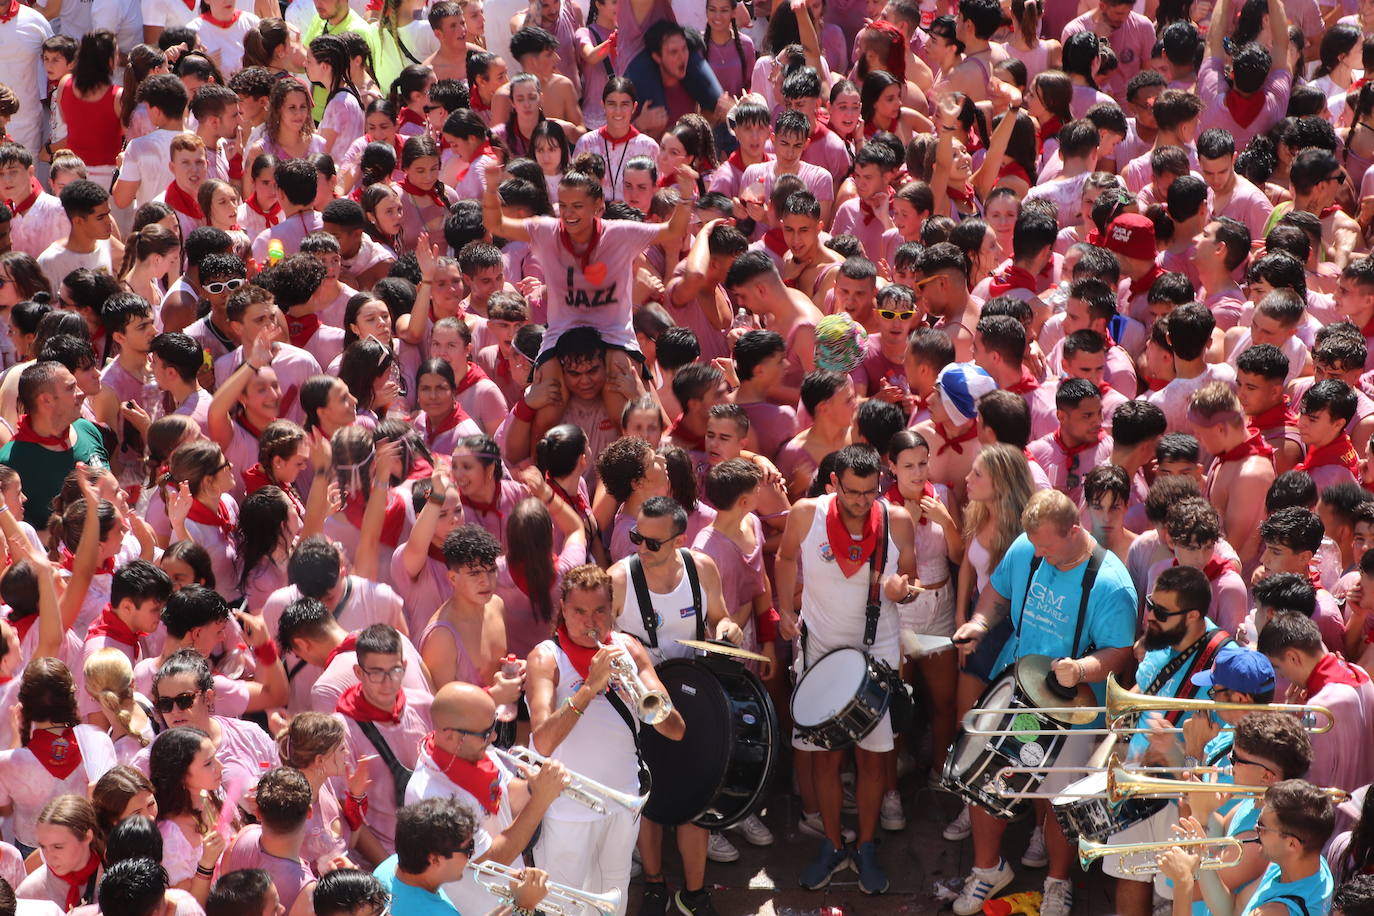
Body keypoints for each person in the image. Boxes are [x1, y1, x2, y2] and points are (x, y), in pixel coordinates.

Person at [950, 488, 1137, 916]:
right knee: (987, 779)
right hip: (1014, 685)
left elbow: (1119, 651)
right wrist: (979, 623)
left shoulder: (1111, 583)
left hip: (1072, 704)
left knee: (1058, 798)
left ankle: (1058, 881)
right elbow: (997, 593)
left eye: (1048, 548)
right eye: (1035, 546)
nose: (1041, 556)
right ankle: (987, 869)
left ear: (1074, 530)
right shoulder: (1029, 547)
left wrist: (1085, 668)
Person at [775, 444, 917, 895]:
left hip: (878, 650)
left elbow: (908, 578)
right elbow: (783, 558)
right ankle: (835, 844)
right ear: (834, 483)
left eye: (869, 492)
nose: (861, 501)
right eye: (852, 492)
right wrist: (783, 609)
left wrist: (901, 590)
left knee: (874, 758)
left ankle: (868, 844)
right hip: (820, 649)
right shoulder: (805, 514)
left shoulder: (896, 520)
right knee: (825, 757)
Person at [526, 564, 686, 914]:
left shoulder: (629, 648)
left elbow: (675, 729)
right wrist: (589, 689)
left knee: (612, 900)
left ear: (612, 610)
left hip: (621, 800)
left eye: (599, 610)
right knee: (562, 907)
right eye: (579, 611)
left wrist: (645, 696)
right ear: (564, 611)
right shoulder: (546, 658)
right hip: (567, 808)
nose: (590, 621)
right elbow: (542, 743)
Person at [405, 681, 568, 915]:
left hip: (509, 898)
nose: (493, 737)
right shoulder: (430, 795)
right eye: (485, 733)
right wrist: (541, 801)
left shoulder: (477, 752)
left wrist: (536, 787)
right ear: (451, 736)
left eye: (493, 726)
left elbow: (508, 797)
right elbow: (491, 862)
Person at [1259, 611, 1374, 793]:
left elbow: (1311, 782)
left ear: (1293, 657)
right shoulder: (1361, 674)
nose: (1280, 675)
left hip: (1335, 816)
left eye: (1277, 667)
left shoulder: (1320, 706)